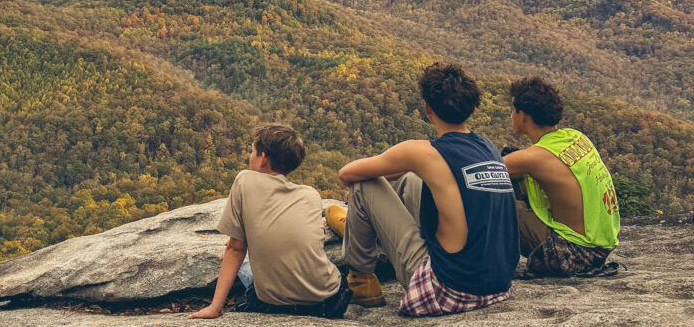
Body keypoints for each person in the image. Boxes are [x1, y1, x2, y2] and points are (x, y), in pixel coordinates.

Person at [325, 62, 518, 316]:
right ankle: (363, 226)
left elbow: (347, 174)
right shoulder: (487, 147)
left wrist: (395, 168)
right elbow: (415, 173)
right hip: (496, 285)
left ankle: (362, 280)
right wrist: (405, 168)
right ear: (471, 108)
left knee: (363, 185)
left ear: (428, 109)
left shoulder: (423, 152)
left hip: (447, 289)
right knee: (412, 180)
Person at [188, 124, 350, 319]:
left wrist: (215, 308)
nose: (250, 156)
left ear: (263, 157)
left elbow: (235, 249)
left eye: (252, 151)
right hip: (328, 302)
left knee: (242, 256)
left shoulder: (244, 181)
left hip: (271, 304)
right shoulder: (311, 195)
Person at [503, 77, 620, 276]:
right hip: (599, 249)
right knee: (514, 168)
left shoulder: (535, 157)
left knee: (495, 201)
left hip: (571, 255)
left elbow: (480, 173)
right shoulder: (575, 137)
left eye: (513, 109)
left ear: (523, 115)